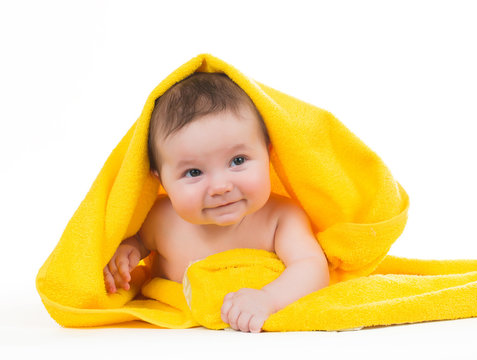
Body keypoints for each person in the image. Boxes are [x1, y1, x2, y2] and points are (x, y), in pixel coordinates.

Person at [103, 72, 329, 333]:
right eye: (194, 172)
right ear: (160, 179)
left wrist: (268, 299)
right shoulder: (159, 220)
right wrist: (127, 252)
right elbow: (139, 243)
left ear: (267, 153)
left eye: (238, 160)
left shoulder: (280, 218)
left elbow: (311, 267)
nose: (221, 187)